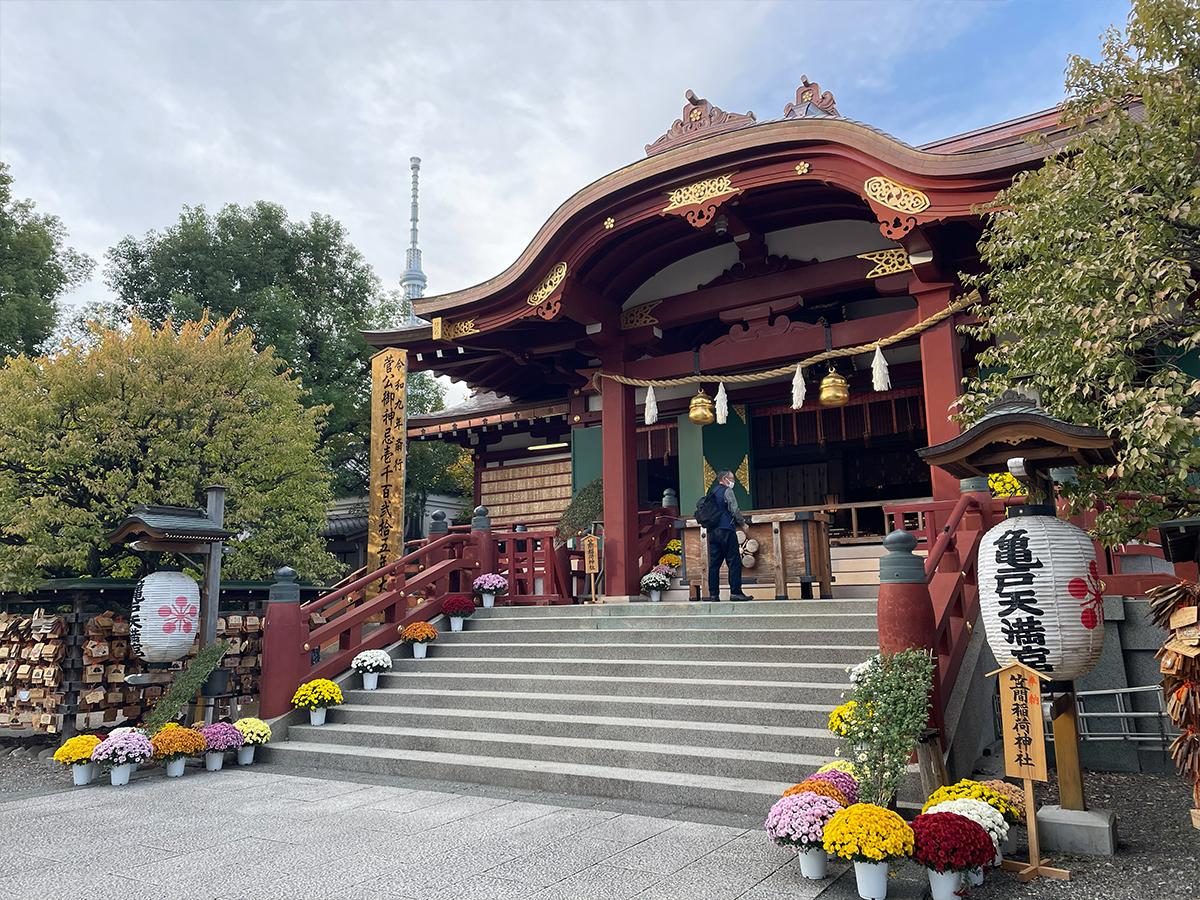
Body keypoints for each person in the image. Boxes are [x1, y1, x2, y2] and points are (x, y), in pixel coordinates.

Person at [707, 470, 751, 602]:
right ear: (725, 479)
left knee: (714, 564)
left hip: (713, 532)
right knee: (734, 561)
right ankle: (735, 592)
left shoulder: (712, 492)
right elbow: (734, 509)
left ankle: (713, 594)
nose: (734, 482)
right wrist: (743, 524)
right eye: (732, 479)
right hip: (726, 530)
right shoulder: (727, 491)